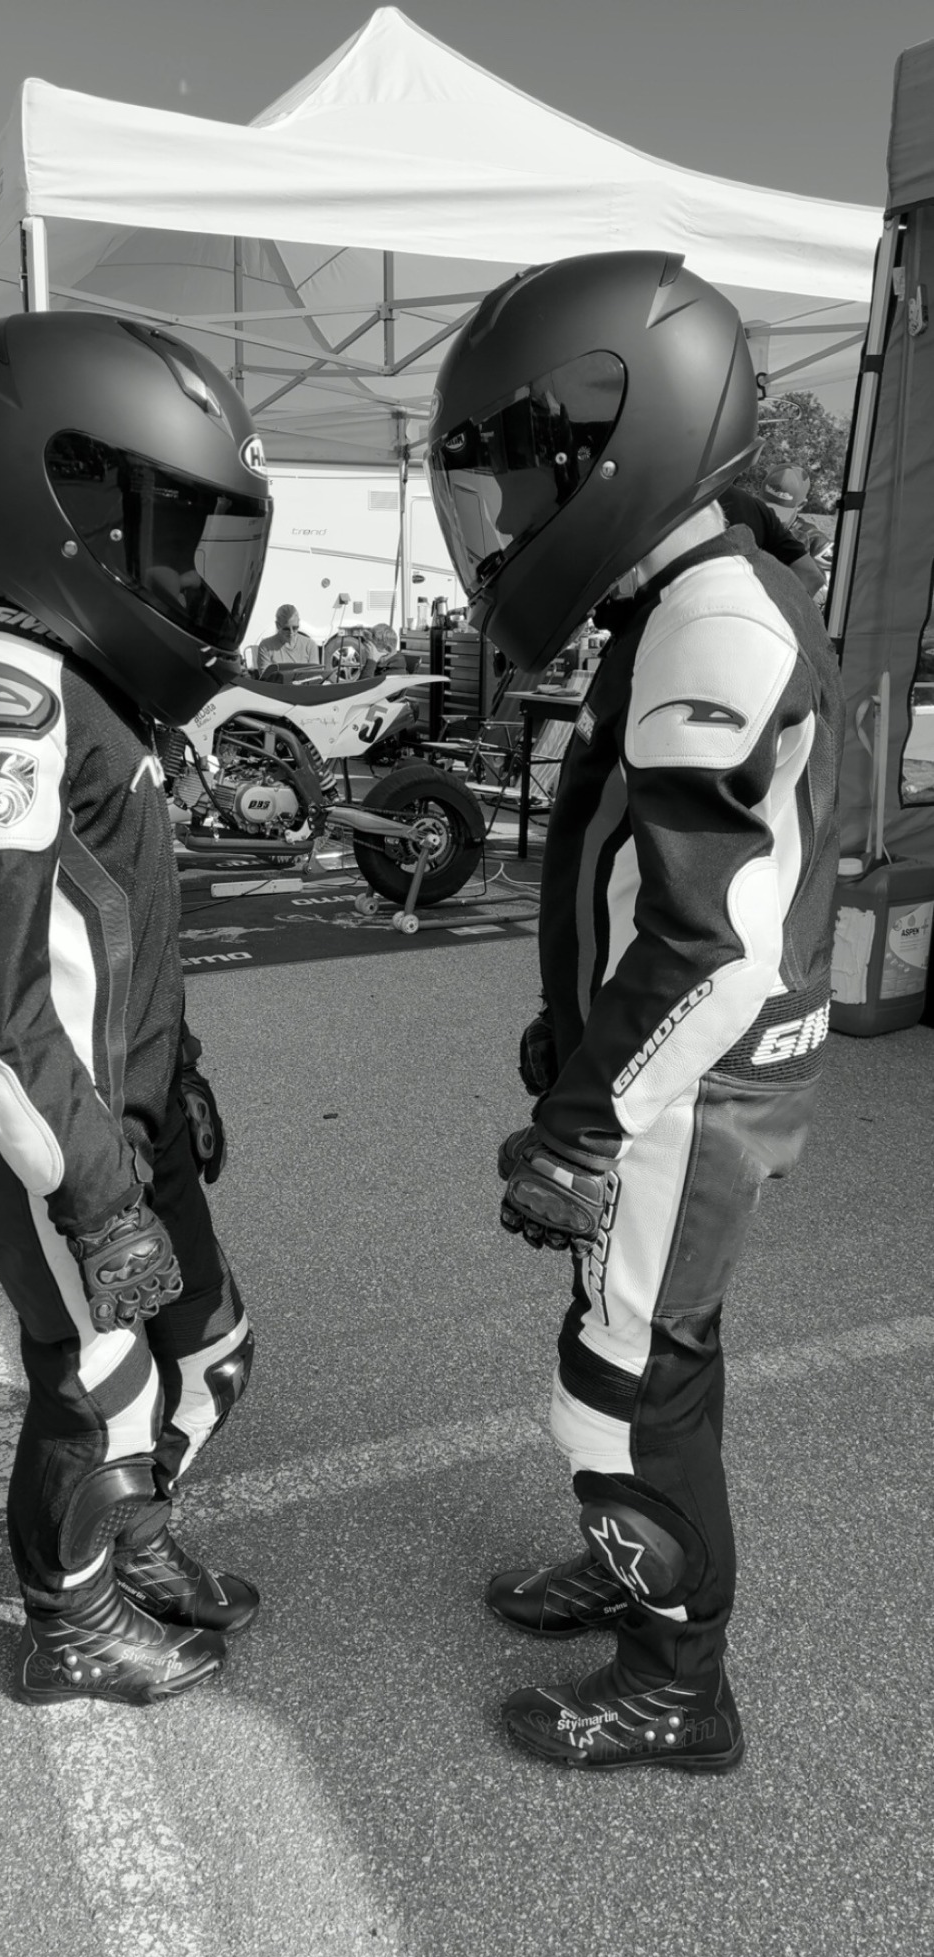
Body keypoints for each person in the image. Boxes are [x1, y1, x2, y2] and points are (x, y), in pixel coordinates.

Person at [428, 250, 841, 1772]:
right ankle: (630, 1580)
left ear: (619, 439)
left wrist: (585, 1120)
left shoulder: (714, 618)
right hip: (674, 1077)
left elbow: (713, 941)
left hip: (693, 1089)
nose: (509, 517)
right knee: (642, 1336)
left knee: (628, 1382)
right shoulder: (683, 592)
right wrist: (581, 1050)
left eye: (525, 476)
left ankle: (677, 1680)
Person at [0, 311, 274, 1707]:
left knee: (210, 1352)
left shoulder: (91, 685)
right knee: (97, 1381)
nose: (189, 571)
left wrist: (182, 1076)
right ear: (73, 510)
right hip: (47, 1144)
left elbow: (119, 941)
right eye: (170, 531)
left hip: (130, 1126)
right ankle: (69, 1621)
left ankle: (138, 1538)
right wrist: (97, 1199)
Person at [720, 474, 827, 599]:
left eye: (780, 512)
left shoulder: (816, 542)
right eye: (766, 508)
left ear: (801, 505)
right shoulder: (747, 520)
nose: (772, 518)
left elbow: (820, 589)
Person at [257, 603, 320, 676]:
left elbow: (315, 676)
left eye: (295, 628)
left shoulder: (310, 645)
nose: (291, 633)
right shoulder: (266, 646)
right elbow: (265, 678)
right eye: (286, 629)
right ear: (277, 625)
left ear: (299, 623)